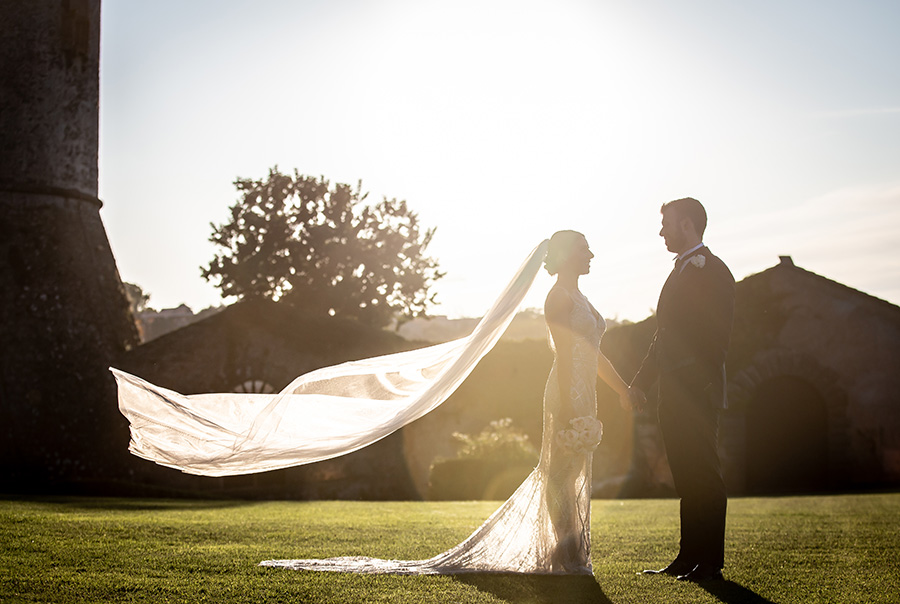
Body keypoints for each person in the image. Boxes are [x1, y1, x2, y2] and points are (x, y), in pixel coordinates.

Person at [113, 232, 631, 574]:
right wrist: (572, 408)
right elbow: (567, 357)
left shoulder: (580, 299)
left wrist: (620, 390)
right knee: (560, 473)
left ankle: (568, 553)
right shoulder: (559, 300)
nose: (592, 255)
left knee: (568, 473)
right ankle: (567, 557)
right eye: (585, 248)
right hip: (565, 393)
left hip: (582, 391)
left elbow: (594, 351)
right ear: (568, 257)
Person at [630, 197, 735, 583]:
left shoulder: (714, 271)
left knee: (705, 475)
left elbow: (718, 337)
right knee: (686, 477)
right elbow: (664, 337)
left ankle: (710, 564)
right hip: (672, 396)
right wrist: (641, 383)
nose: (662, 232)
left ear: (687, 225)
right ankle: (688, 557)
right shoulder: (678, 272)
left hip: (697, 393)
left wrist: (697, 385)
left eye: (667, 224)